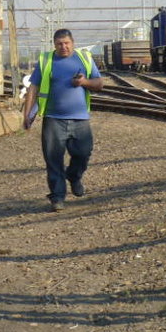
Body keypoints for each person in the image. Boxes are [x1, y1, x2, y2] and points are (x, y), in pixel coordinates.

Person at [22, 29, 104, 212]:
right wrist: (27, 114)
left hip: (80, 118)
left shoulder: (84, 59)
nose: (63, 47)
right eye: (59, 44)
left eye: (66, 43)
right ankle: (57, 196)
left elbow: (99, 84)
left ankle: (74, 176)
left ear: (73, 42)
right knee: (53, 159)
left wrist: (84, 83)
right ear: (54, 44)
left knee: (84, 153)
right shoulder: (46, 61)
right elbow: (33, 87)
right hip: (53, 119)